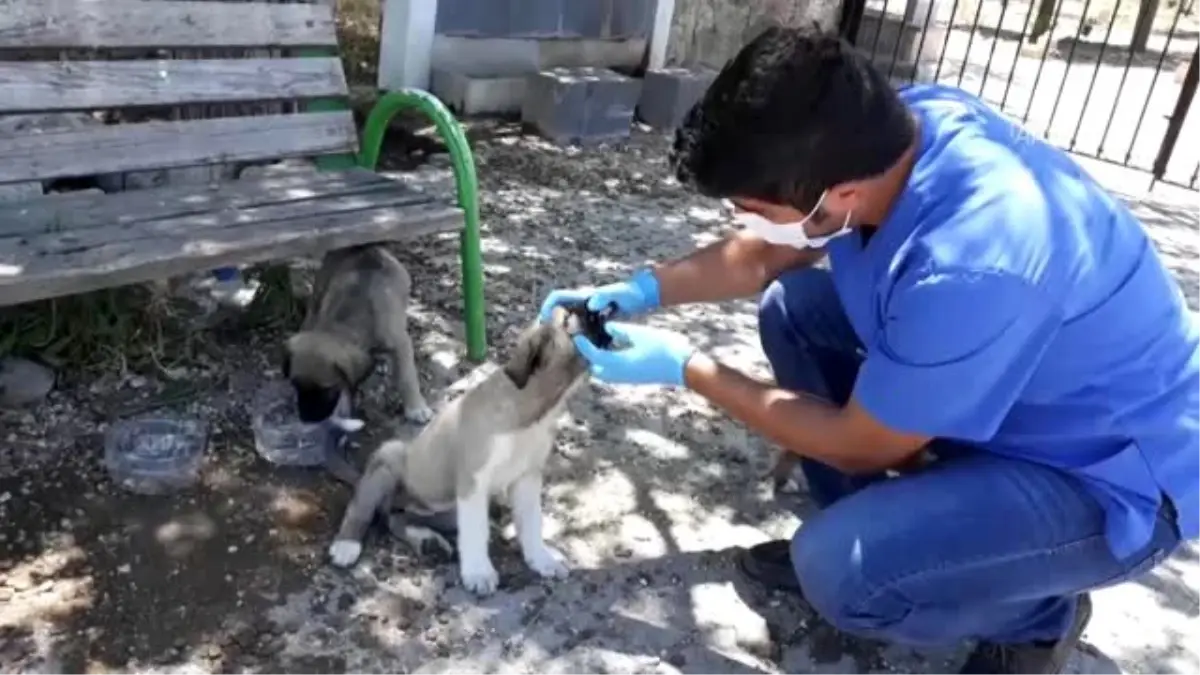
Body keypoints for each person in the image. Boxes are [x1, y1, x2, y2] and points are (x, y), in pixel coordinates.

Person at [538, 24, 1200, 675]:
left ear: (837, 199)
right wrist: (637, 291)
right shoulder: (896, 128)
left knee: (839, 572)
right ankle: (891, 529)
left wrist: (684, 365)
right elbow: (763, 256)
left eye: (749, 205)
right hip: (1019, 392)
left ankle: (1039, 615)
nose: (746, 220)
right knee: (794, 308)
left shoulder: (974, 259)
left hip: (1108, 475)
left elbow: (865, 443)